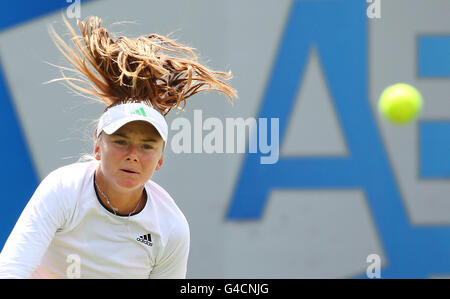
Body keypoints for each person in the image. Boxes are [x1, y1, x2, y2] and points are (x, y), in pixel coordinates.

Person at [0, 16, 236, 278]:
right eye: (121, 142)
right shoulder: (63, 190)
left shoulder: (171, 227)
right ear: (97, 147)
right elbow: (11, 270)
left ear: (160, 160)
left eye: (147, 146)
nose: (133, 155)